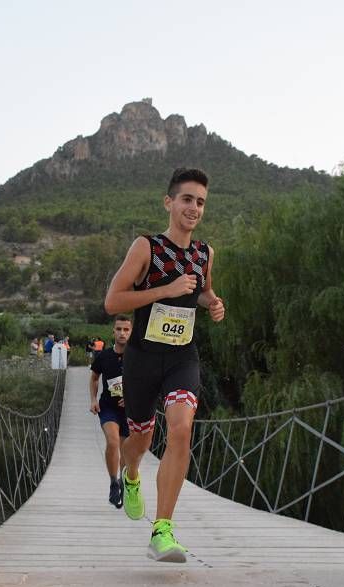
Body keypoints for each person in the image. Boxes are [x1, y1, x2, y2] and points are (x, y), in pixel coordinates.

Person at [104, 167, 225, 563]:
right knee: (138, 441)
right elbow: (113, 301)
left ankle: (163, 530)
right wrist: (165, 290)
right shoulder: (147, 248)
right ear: (169, 202)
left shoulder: (204, 253)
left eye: (201, 202)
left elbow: (203, 292)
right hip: (142, 360)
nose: (194, 208)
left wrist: (213, 303)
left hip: (181, 359)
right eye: (187, 199)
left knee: (181, 428)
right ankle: (132, 474)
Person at [89, 315, 133, 508]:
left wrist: (134, 397)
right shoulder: (104, 356)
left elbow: (148, 383)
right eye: (119, 329)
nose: (122, 333)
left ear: (131, 332)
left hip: (131, 410)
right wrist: (93, 399)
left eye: (126, 329)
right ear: (113, 331)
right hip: (108, 407)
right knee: (113, 442)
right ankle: (113, 482)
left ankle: (122, 483)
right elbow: (94, 378)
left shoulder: (138, 356)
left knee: (124, 449)